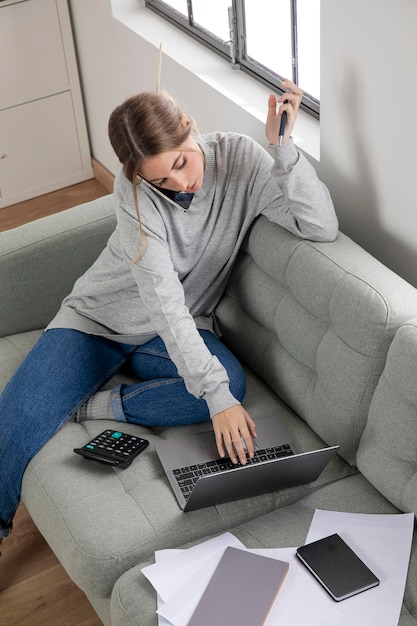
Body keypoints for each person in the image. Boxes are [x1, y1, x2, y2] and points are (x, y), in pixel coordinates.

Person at [0, 81, 338, 549]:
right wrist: (215, 398)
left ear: (189, 127)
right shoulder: (133, 194)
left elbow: (318, 227)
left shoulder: (240, 159)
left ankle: (92, 406)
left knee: (230, 386)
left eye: (181, 162)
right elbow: (163, 300)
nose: (179, 183)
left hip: (176, 334)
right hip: (99, 323)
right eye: (161, 179)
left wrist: (282, 149)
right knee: (13, 421)